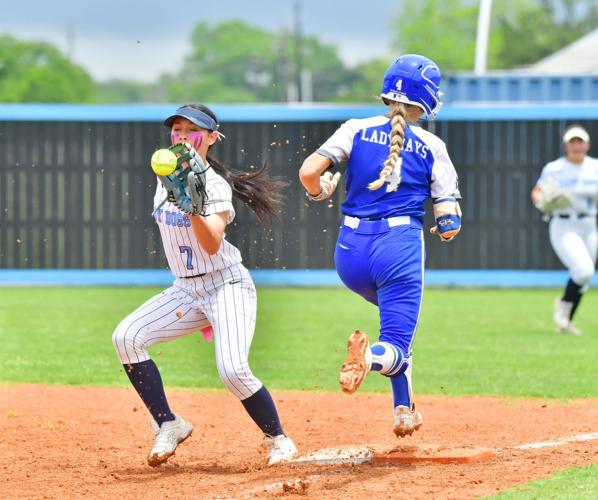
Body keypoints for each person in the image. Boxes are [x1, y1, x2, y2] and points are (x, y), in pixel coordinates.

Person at [112, 104, 297, 466]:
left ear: (212, 138)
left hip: (225, 285)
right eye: (176, 129)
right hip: (186, 289)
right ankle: (169, 423)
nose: (181, 136)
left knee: (232, 370)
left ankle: (279, 439)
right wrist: (180, 191)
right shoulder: (163, 176)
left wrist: (192, 205)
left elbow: (211, 244)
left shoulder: (214, 185)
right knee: (127, 337)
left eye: (191, 130)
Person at [298, 54, 462, 437]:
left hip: (350, 253)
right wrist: (446, 228)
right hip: (398, 248)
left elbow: (309, 172)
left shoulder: (355, 128)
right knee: (395, 346)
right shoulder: (432, 145)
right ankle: (367, 359)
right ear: (427, 98)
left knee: (396, 327)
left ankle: (404, 411)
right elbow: (449, 220)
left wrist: (319, 191)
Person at [531, 125, 598, 336]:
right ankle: (563, 305)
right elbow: (537, 192)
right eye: (573, 141)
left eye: (580, 141)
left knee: (583, 277)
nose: (576, 145)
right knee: (584, 269)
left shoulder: (595, 167)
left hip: (588, 224)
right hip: (564, 224)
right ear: (566, 145)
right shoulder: (555, 168)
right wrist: (541, 202)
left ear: (587, 144)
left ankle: (566, 321)